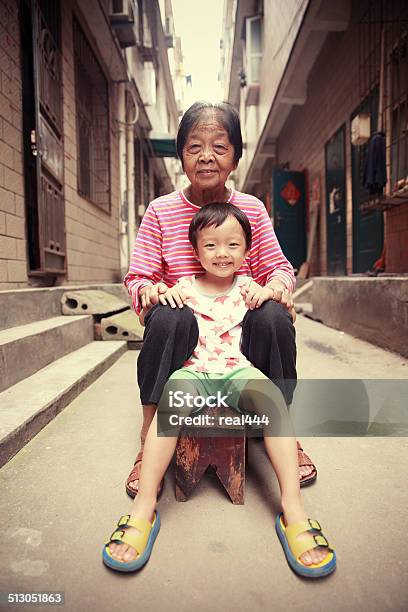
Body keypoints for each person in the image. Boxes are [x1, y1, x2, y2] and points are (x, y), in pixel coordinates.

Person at [103, 204, 336, 577]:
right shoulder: (184, 288)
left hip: (237, 371)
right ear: (195, 252)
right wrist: (156, 291)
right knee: (170, 402)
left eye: (232, 245)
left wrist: (275, 296)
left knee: (273, 401)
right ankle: (143, 507)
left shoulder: (249, 288)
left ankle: (294, 510)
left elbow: (278, 302)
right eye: (210, 245)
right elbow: (155, 304)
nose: (222, 253)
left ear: (246, 251)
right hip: (194, 371)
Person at [123, 101, 317, 498]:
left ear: (235, 157)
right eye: (194, 147)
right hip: (188, 340)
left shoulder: (251, 209)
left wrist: (273, 290)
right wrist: (151, 290)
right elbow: (138, 277)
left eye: (219, 147)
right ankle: (150, 435)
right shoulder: (161, 212)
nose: (206, 156)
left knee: (274, 318)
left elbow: (280, 269)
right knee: (165, 317)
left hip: (237, 340)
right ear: (181, 156)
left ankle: (282, 428)